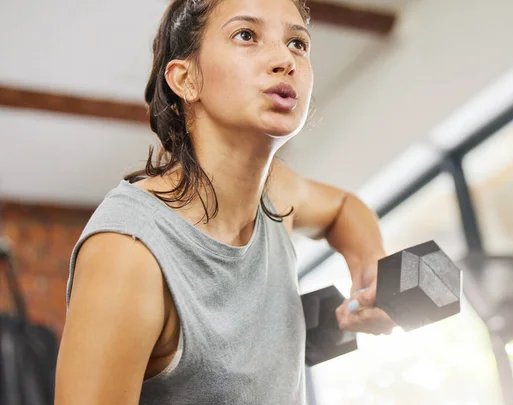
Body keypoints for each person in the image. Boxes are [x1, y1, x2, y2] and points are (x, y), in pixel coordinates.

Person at [54, 0, 396, 403]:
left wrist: (370, 269)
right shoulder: (129, 252)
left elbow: (344, 210)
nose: (285, 59)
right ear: (186, 79)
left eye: (297, 43)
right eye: (246, 35)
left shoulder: (277, 193)